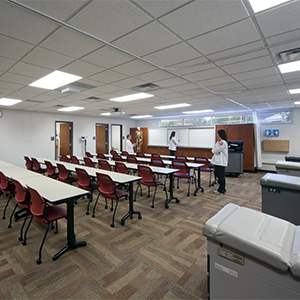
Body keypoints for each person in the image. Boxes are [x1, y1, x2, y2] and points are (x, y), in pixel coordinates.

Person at [211, 129, 228, 195]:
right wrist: (215, 150)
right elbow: (213, 150)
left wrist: (215, 150)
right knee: (217, 174)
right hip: (217, 162)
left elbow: (215, 150)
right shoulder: (218, 142)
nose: (217, 135)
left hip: (221, 162)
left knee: (221, 176)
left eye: (218, 134)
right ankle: (220, 188)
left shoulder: (223, 142)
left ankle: (222, 190)